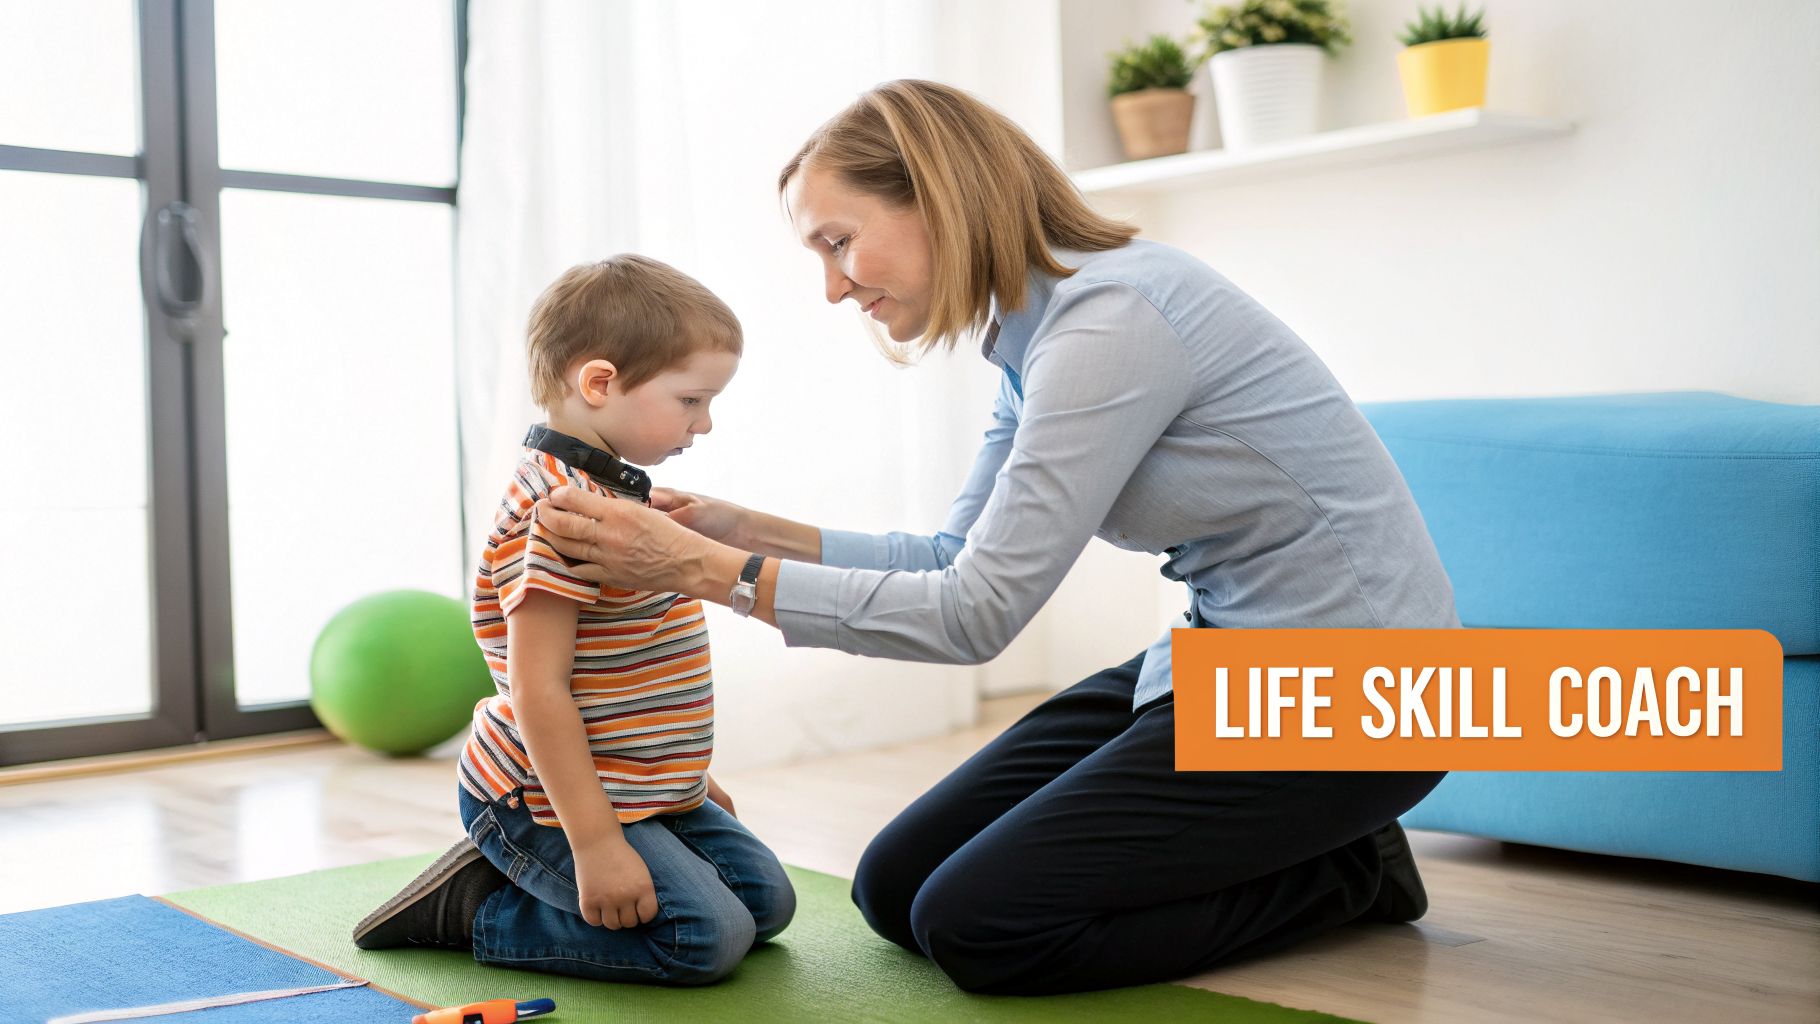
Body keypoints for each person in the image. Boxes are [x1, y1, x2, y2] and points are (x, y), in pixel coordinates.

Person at [545, 79, 1457, 996]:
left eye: (840, 241)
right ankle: (1315, 843)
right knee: (894, 888)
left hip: (1354, 695)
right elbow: (951, 558)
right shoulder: (1032, 336)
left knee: (982, 928)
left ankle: (1349, 869)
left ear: (938, 196)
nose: (831, 286)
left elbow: (975, 615)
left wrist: (708, 571)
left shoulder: (1113, 318)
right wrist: (744, 532)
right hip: (1220, 662)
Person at [352, 255, 795, 985]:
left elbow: (634, 662)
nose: (705, 422)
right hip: (539, 796)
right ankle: (476, 911)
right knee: (702, 939)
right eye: (691, 400)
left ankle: (584, 855)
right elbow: (539, 691)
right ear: (599, 383)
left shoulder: (613, 491)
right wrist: (594, 845)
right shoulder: (559, 515)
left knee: (765, 905)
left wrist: (681, 773)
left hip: (638, 783)